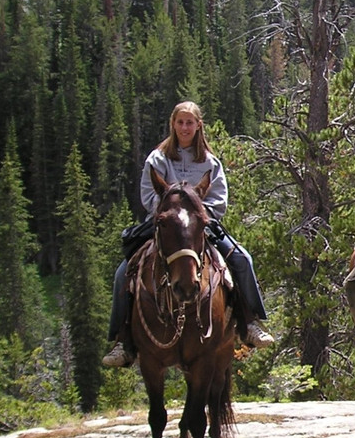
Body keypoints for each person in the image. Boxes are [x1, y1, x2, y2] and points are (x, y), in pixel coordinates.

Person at [102, 101, 274, 366]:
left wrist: (194, 212)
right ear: (173, 124)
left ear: (198, 126)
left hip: (198, 224)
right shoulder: (157, 159)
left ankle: (248, 322)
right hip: (165, 224)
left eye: (189, 122)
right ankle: (123, 340)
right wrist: (175, 208)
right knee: (123, 272)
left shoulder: (209, 162)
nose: (185, 127)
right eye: (180, 122)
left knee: (242, 260)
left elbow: (219, 201)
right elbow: (148, 196)